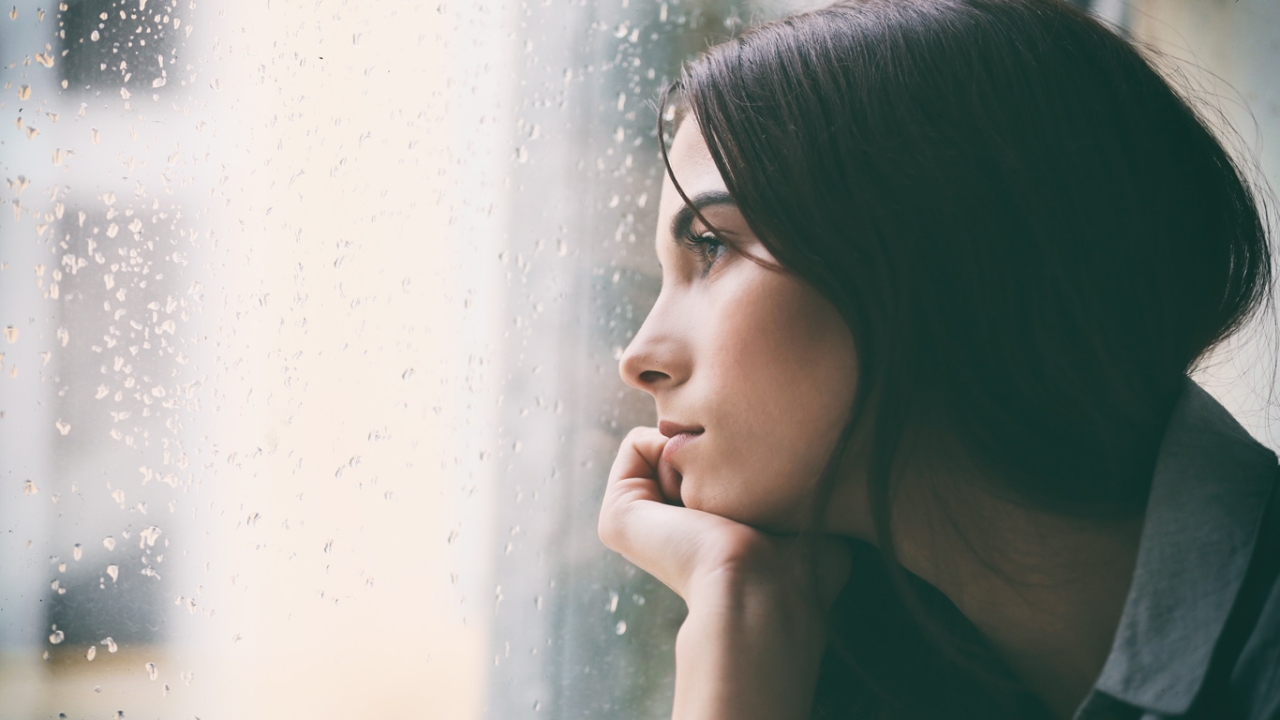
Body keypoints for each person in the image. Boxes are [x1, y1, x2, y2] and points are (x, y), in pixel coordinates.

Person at [596, 0, 1280, 718]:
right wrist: (735, 601)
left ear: (946, 250)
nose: (639, 358)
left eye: (710, 246)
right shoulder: (852, 649)